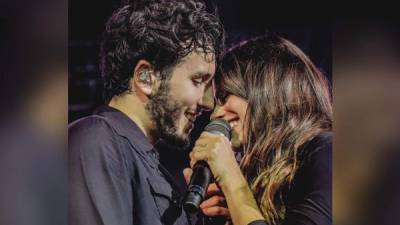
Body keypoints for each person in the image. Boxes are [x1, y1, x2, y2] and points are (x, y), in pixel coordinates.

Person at [68, 1, 224, 225]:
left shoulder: (155, 168)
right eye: (198, 81)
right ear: (145, 78)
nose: (209, 103)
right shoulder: (95, 140)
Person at [186, 34, 332, 225]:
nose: (216, 114)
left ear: (267, 91)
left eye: (225, 96)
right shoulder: (258, 178)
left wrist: (233, 183)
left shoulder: (328, 152)